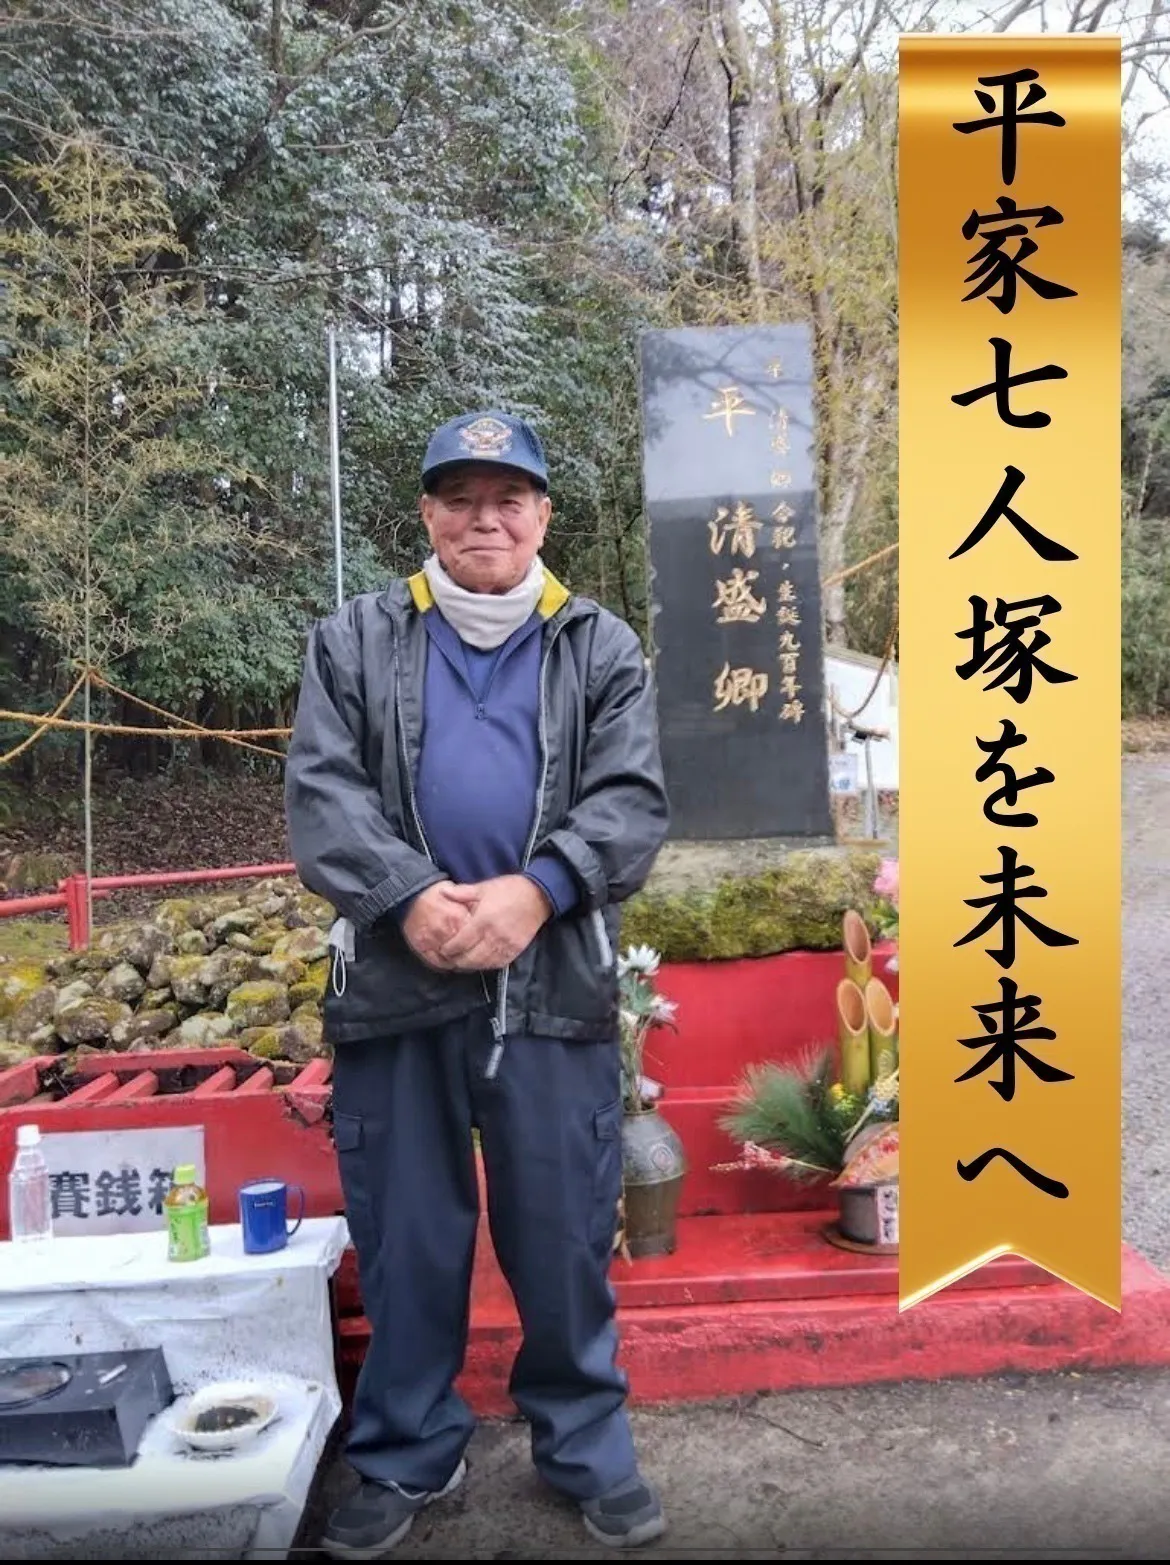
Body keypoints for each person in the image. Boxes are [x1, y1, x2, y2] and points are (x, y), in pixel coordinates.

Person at [284, 409, 671, 1557]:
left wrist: (540, 889)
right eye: (460, 497)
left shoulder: (599, 645)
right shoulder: (356, 639)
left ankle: (585, 1441)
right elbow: (323, 793)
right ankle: (408, 1447)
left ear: (543, 514)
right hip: (397, 984)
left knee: (562, 1231)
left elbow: (632, 801)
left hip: (551, 982)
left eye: (509, 498)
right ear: (428, 513)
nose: (485, 518)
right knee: (406, 1233)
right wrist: (407, 894)